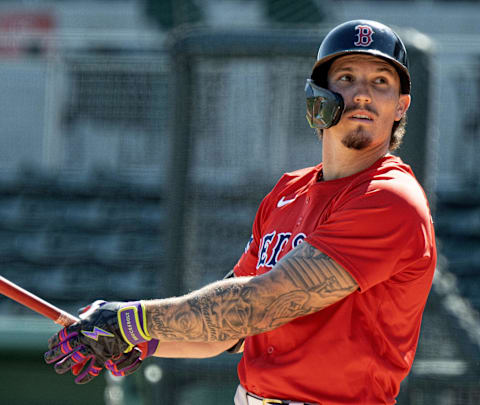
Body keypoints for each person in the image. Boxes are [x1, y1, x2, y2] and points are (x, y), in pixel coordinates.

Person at [44, 19, 436, 405]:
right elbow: (229, 332)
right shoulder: (288, 191)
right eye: (347, 78)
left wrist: (132, 320)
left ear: (400, 106)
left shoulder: (390, 197)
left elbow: (257, 305)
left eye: (381, 82)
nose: (363, 94)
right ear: (318, 95)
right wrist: (142, 339)